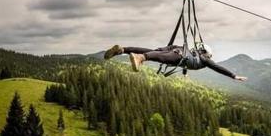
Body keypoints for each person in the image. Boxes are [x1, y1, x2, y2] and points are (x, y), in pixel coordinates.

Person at [104, 44, 247, 81]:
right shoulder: (204, 59)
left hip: (177, 49)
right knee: (154, 56)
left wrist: (184, 73)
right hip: (178, 55)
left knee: (154, 52)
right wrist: (233, 76)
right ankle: (141, 58)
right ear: (207, 54)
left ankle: (122, 50)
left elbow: (188, 63)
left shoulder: (194, 53)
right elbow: (217, 67)